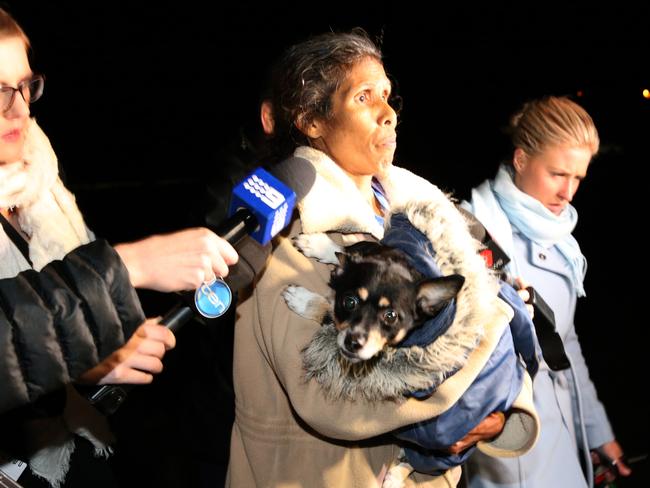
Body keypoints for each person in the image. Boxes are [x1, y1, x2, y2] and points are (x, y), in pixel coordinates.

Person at [227, 30, 540, 488]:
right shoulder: (283, 229)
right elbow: (329, 395)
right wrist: (469, 393)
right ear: (313, 121)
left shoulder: (424, 213)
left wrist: (504, 409)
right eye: (363, 96)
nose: (389, 113)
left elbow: (490, 305)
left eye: (388, 96)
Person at [0, 7, 238, 487]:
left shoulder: (38, 175)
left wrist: (93, 343)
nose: (20, 108)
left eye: (25, 86)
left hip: (71, 441)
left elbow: (41, 314)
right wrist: (128, 265)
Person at [462, 95, 631, 487]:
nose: (568, 193)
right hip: (512, 448)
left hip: (564, 436)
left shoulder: (559, 239)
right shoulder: (471, 235)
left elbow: (565, 343)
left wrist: (596, 430)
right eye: (558, 174)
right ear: (520, 160)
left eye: (578, 178)